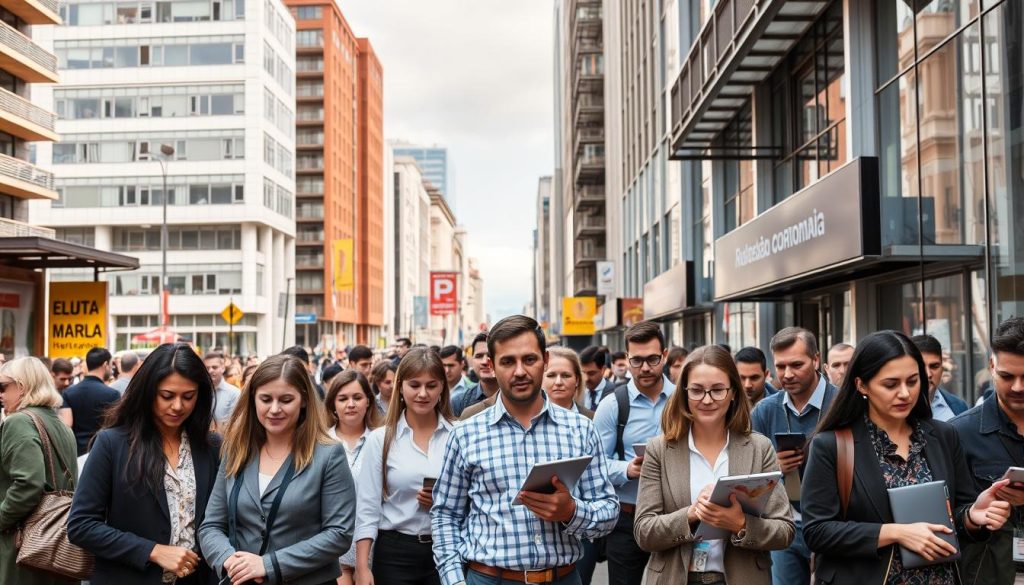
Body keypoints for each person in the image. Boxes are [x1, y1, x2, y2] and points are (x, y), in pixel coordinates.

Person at [802, 330, 1011, 585]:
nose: (905, 393)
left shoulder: (944, 435)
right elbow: (817, 531)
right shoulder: (831, 446)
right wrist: (895, 533)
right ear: (861, 385)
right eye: (891, 384)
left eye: (913, 381)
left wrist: (972, 516)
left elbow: (956, 515)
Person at [431, 315, 619, 585]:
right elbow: (445, 514)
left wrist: (571, 512)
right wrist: (454, 581)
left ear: (545, 360)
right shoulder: (465, 434)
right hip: (488, 578)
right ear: (492, 366)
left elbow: (609, 512)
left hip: (562, 578)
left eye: (529, 359)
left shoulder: (581, 429)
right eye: (508, 361)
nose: (519, 371)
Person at [634, 345, 794, 584]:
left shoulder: (759, 448)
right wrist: (691, 514)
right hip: (676, 577)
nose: (707, 400)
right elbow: (644, 532)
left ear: (733, 393)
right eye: (697, 391)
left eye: (718, 390)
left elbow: (784, 531)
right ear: (684, 393)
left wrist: (740, 523)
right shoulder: (660, 449)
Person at [68, 343, 221, 584]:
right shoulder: (112, 443)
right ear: (148, 392)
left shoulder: (211, 446)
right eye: (167, 396)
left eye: (188, 396)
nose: (178, 406)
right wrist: (153, 550)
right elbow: (81, 525)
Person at [199, 354, 355, 585]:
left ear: (303, 400)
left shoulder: (328, 454)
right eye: (265, 399)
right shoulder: (236, 449)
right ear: (253, 399)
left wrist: (268, 564)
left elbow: (338, 534)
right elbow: (211, 525)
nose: (274, 409)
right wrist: (229, 560)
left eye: (285, 399)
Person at [354, 348, 454, 585]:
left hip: (448, 549)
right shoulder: (381, 439)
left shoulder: (458, 435)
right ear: (400, 387)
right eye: (414, 385)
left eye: (431, 385)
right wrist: (361, 567)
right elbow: (367, 508)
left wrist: (442, 501)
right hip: (394, 553)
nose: (422, 393)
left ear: (442, 388)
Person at [750, 326, 839, 585]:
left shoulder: (843, 403)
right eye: (781, 366)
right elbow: (750, 477)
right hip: (785, 524)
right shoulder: (765, 411)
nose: (787, 374)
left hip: (836, 523)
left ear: (816, 360)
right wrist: (772, 467)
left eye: (797, 364)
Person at [593, 321, 676, 585]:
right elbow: (593, 465)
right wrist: (627, 469)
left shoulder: (684, 400)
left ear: (665, 355)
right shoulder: (612, 405)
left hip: (676, 514)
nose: (645, 368)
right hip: (627, 519)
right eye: (637, 360)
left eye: (652, 359)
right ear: (626, 359)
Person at [951, 317, 1024, 585]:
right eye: (1007, 376)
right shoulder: (958, 433)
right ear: (991, 366)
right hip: (988, 575)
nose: (1018, 387)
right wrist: (972, 517)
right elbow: (946, 521)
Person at [0, 357, 78, 585]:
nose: (0, 395)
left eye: (3, 387)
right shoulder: (59, 423)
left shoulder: (19, 422)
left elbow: (29, 484)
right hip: (57, 546)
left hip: (23, 545)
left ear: (22, 387)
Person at [325, 370, 381, 585]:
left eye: (357, 398)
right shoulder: (320, 442)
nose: (351, 404)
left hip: (375, 544)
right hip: (333, 548)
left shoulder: (381, 439)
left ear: (368, 401)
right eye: (343, 399)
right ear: (333, 405)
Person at [59, 347, 121, 455]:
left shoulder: (68, 393)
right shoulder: (113, 394)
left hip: (76, 453)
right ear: (105, 364)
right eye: (111, 365)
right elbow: (115, 427)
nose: (111, 369)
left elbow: (66, 427)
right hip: (102, 452)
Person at [910, 335, 969, 422]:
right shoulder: (896, 409)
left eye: (934, 366)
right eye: (921, 367)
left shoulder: (958, 407)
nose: (928, 374)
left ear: (942, 368)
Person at [450, 333, 499, 417]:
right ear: (472, 360)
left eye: (490, 355)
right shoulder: (459, 402)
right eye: (479, 356)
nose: (485, 361)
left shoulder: (517, 397)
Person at [204, 351, 240, 430]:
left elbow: (234, 424)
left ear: (223, 368)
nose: (210, 371)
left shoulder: (234, 393)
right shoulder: (199, 392)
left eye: (214, 367)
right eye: (207, 368)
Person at [580, 345, 613, 411]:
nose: (586, 379)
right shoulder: (575, 392)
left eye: (591, 373)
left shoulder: (616, 393)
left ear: (603, 370)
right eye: (583, 372)